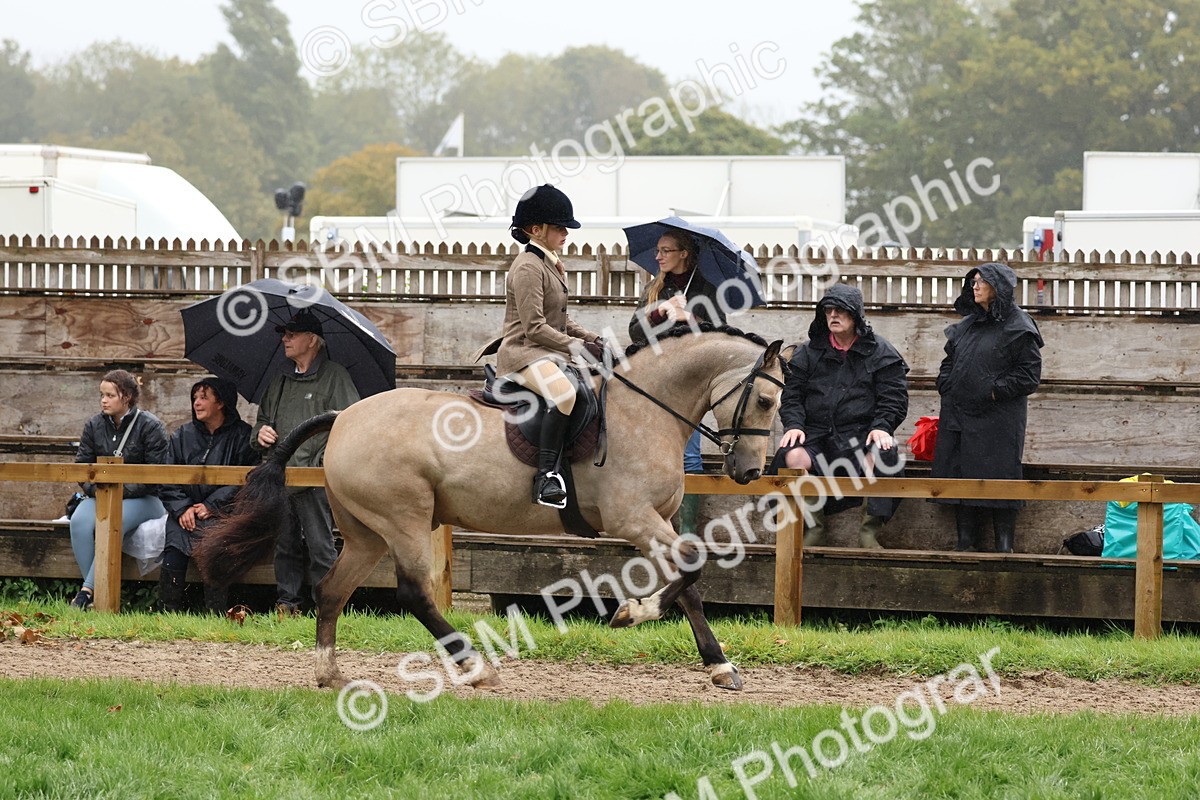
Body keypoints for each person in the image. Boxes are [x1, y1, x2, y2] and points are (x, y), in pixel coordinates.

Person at [494, 184, 605, 509]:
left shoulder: (550, 263)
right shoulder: (528, 266)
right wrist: (575, 347)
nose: (565, 233)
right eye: (559, 227)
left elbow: (558, 320)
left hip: (545, 351)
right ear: (535, 229)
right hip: (522, 355)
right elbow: (535, 327)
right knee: (564, 393)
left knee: (593, 386)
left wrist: (593, 338)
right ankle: (546, 477)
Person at [773, 284, 909, 548]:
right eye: (828, 310)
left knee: (883, 452)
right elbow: (791, 395)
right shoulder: (808, 352)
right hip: (817, 436)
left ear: (856, 315)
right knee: (791, 454)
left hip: (860, 436)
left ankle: (869, 533)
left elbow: (894, 397)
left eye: (841, 310)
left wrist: (882, 426)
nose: (833, 315)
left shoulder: (881, 351)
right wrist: (794, 425)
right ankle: (813, 529)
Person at [251, 309, 360, 613]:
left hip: (317, 480)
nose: (285, 339)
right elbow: (258, 423)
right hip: (281, 478)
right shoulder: (279, 381)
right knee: (284, 546)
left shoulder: (336, 377)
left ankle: (329, 608)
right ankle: (287, 606)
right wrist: (261, 433)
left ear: (312, 340)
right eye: (284, 334)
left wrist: (323, 462)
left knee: (320, 547)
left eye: (292, 334)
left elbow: (350, 425)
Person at [931, 262, 1044, 553]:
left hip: (998, 421)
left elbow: (1029, 375)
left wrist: (993, 392)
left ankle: (1004, 547)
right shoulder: (966, 325)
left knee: (1001, 477)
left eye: (981, 281)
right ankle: (964, 542)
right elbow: (949, 362)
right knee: (959, 473)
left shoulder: (1019, 325)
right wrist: (947, 383)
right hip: (959, 416)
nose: (975, 286)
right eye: (973, 281)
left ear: (998, 287)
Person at [627, 228, 726, 536]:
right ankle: (652, 527)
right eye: (657, 251)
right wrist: (663, 311)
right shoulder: (654, 289)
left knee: (688, 455)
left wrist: (689, 318)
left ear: (683, 253)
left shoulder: (706, 290)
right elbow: (635, 331)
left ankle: (686, 534)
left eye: (665, 251)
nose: (658, 257)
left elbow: (720, 335)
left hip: (686, 386)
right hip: (653, 381)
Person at [68, 369, 170, 609]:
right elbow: (82, 465)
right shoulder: (93, 425)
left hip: (146, 500)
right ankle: (93, 592)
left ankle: (86, 592)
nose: (103, 400)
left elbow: (156, 474)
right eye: (102, 394)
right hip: (103, 494)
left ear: (127, 397)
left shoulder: (150, 426)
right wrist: (96, 490)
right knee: (79, 520)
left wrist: (119, 491)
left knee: (114, 519)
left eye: (110, 395)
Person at [158, 376, 258, 613]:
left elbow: (246, 479)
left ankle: (215, 613)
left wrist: (211, 505)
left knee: (216, 547)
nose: (197, 403)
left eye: (204, 398)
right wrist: (182, 508)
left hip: (224, 513)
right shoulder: (181, 435)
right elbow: (166, 477)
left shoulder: (244, 436)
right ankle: (166, 613)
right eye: (194, 398)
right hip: (184, 513)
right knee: (174, 547)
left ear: (221, 403)